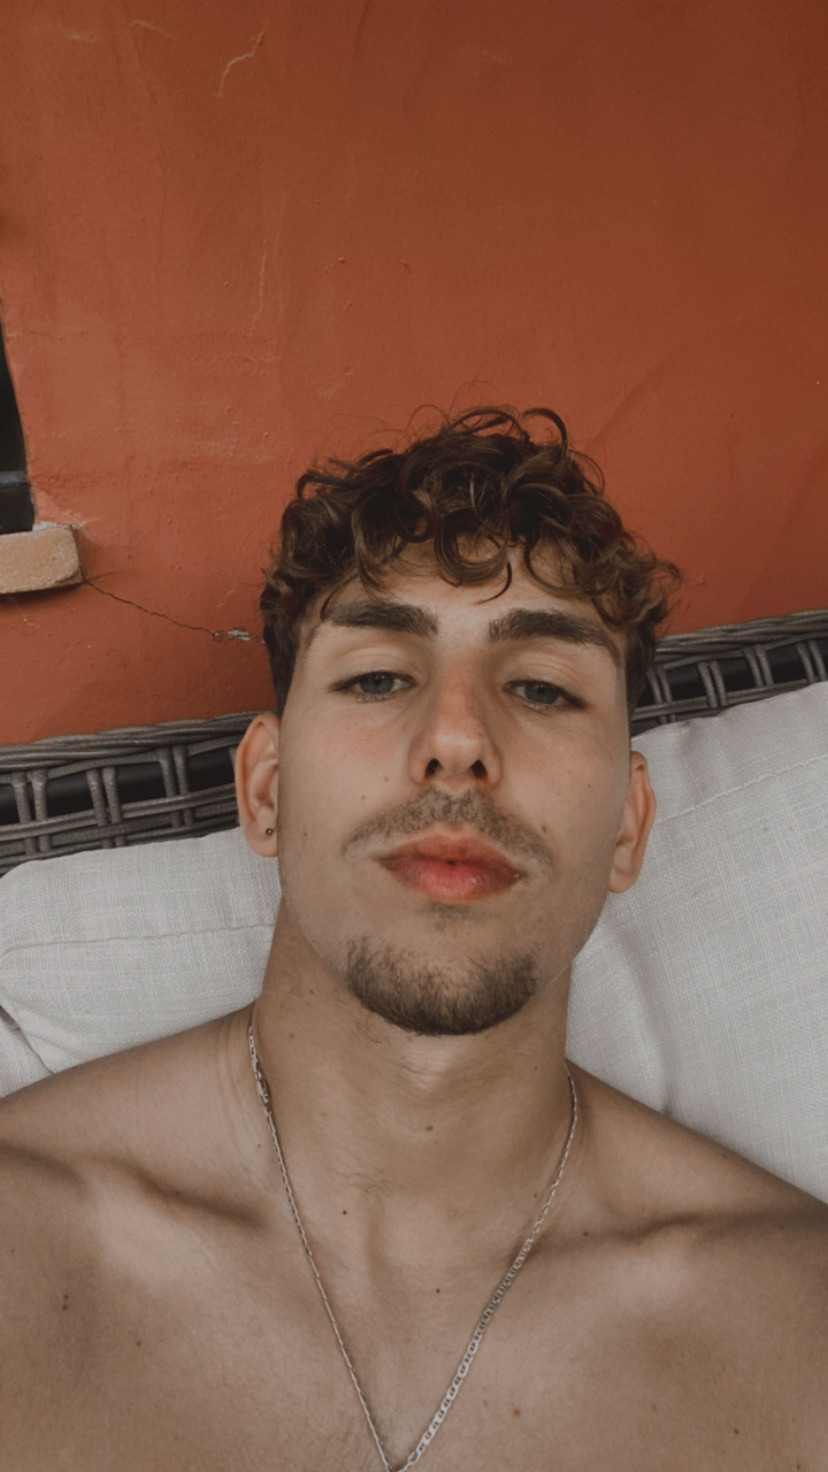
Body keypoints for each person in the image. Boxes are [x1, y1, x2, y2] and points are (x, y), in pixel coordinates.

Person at [0, 406, 825, 1471]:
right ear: (267, 788)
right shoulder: (25, 1242)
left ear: (628, 826)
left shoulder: (794, 1331)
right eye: (379, 676)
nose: (458, 738)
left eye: (542, 687)